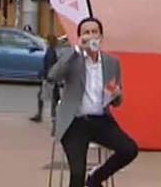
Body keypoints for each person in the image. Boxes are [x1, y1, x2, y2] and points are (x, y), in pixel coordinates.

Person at [48, 17, 138, 187]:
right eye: (86, 33)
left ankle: (95, 178)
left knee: (129, 149)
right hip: (74, 122)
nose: (91, 36)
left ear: (101, 37)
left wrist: (117, 94)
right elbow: (53, 75)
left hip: (100, 120)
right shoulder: (73, 59)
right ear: (80, 37)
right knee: (76, 174)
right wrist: (77, 50)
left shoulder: (112, 63)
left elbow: (116, 102)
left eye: (94, 32)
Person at [31, 33, 60, 123]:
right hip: (53, 77)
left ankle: (50, 117)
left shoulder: (50, 51)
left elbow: (49, 65)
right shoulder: (53, 50)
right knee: (55, 97)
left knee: (47, 96)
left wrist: (46, 76)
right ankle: (53, 116)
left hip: (50, 77)